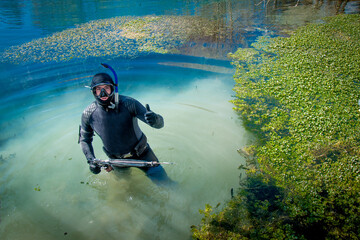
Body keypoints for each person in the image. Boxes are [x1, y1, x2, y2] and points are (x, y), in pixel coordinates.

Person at [78, 72, 173, 186]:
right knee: (125, 188)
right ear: (93, 91)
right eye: (98, 89)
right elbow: (84, 140)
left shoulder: (129, 103)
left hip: (143, 154)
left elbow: (159, 125)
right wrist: (91, 160)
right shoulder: (88, 114)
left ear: (113, 88)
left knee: (165, 183)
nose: (103, 93)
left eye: (106, 88)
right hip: (116, 161)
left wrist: (155, 119)